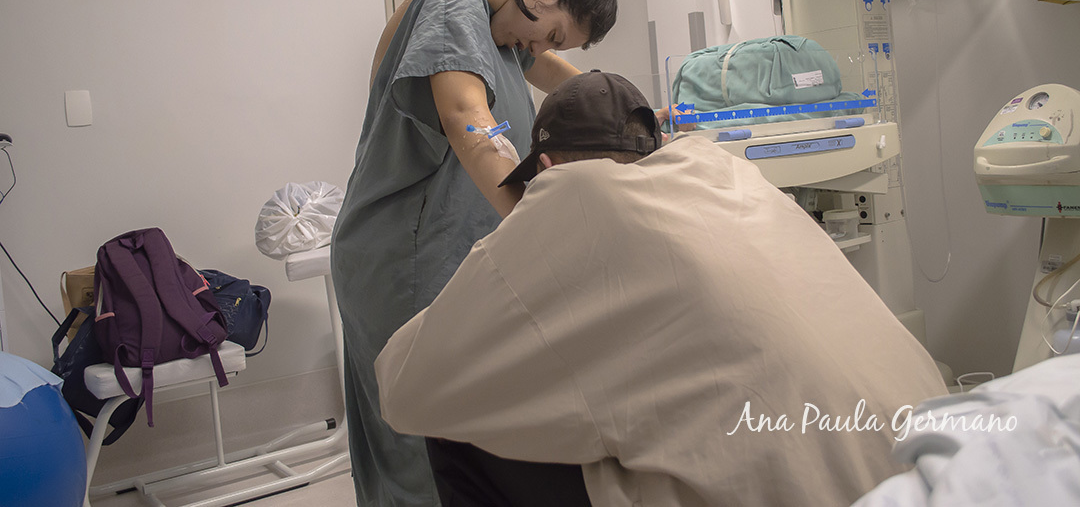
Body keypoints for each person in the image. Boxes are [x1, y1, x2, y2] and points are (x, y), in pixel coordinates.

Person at [374, 71, 949, 507]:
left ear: (546, 164)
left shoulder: (571, 197)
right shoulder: (724, 172)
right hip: (933, 466)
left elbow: (405, 386)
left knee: (459, 425)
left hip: (803, 486)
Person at [331, 0, 640, 506]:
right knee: (421, 436)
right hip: (406, 255)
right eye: (549, 33)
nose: (536, 48)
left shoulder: (504, 19)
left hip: (446, 248)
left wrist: (626, 118)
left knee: (462, 432)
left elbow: (553, 73)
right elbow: (466, 119)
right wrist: (537, 220)